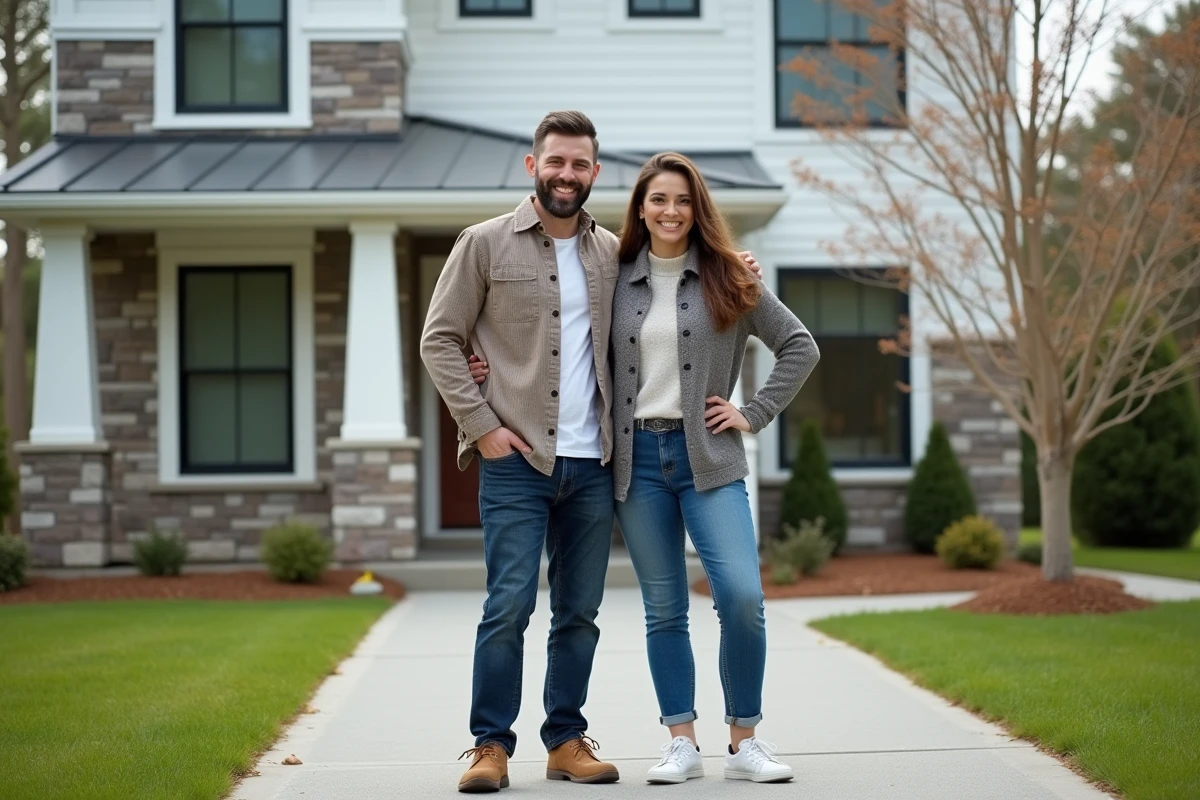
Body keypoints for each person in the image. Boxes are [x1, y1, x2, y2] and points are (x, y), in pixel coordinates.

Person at [421, 111, 761, 794]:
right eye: (556, 161)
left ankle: (565, 741)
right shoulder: (483, 244)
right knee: (508, 605)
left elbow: (676, 282)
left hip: (598, 462)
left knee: (578, 613)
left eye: (579, 164)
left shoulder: (614, 255)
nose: (566, 174)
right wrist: (481, 425)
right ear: (533, 165)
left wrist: (734, 266)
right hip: (515, 460)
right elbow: (440, 339)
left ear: (595, 173)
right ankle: (489, 746)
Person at [469, 151, 819, 785]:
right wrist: (484, 364)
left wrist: (753, 412)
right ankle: (681, 741)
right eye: (658, 199)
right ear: (640, 207)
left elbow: (799, 345)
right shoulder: (613, 272)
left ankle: (745, 741)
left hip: (709, 458)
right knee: (664, 608)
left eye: (683, 200)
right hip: (636, 465)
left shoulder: (730, 277)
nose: (671, 211)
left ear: (698, 208)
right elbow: (554, 331)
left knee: (742, 597)